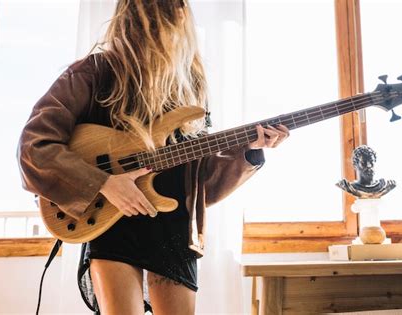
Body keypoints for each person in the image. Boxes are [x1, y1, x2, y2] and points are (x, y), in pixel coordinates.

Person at [17, 1, 289, 314]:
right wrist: (102, 182)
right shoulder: (93, 72)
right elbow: (34, 146)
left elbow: (200, 185)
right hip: (114, 224)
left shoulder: (192, 84)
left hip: (174, 229)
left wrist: (249, 151)